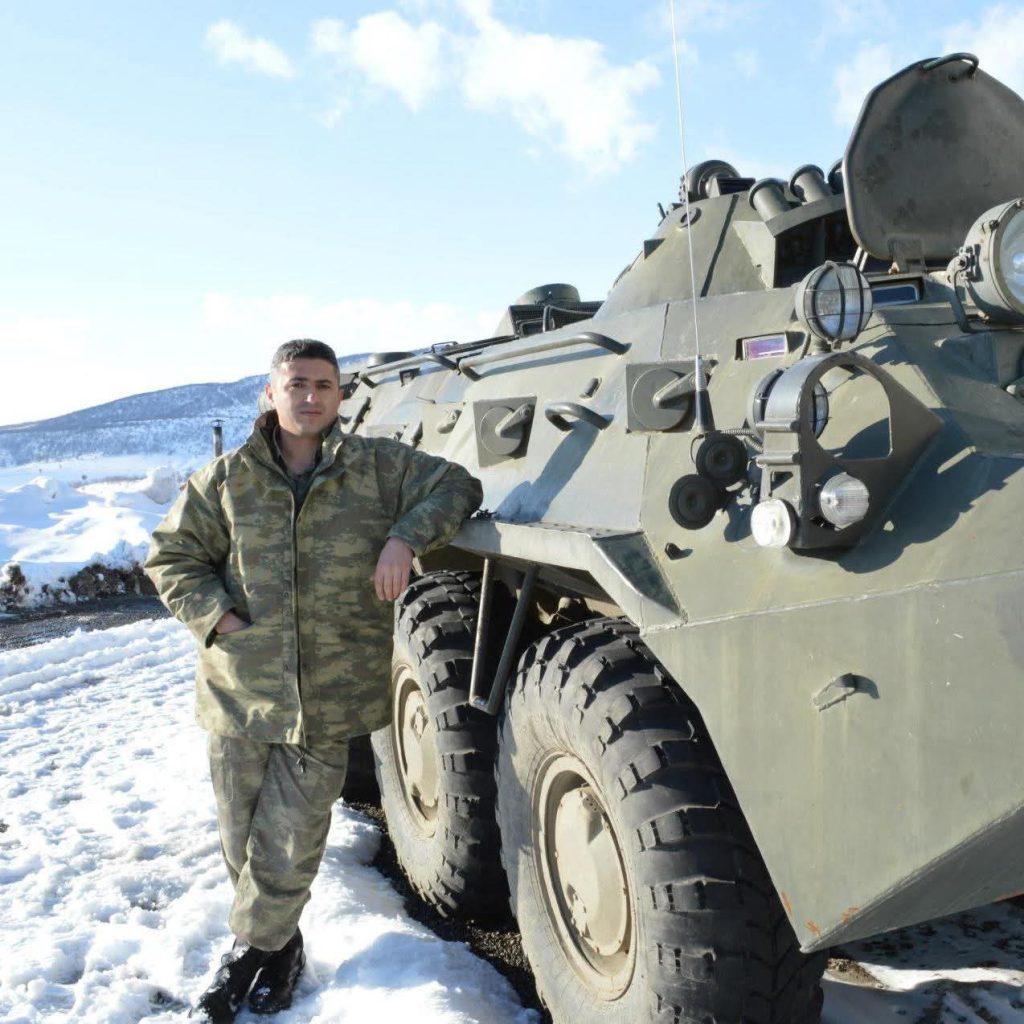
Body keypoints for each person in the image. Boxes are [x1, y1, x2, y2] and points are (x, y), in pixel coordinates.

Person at [145, 339, 482, 1023]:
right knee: (241, 843)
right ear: (270, 393)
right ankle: (282, 948)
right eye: (296, 383)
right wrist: (219, 619)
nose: (310, 396)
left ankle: (243, 957)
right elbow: (172, 557)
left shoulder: (380, 469)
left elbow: (458, 486)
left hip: (328, 695)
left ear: (339, 396)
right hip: (240, 692)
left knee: (290, 839)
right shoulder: (226, 479)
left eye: (324, 385)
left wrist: (404, 538)